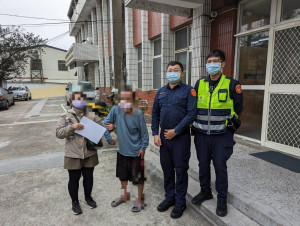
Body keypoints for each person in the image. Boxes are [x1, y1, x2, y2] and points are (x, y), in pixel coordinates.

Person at [191, 49, 243, 217]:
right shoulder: (199, 84)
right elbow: (193, 107)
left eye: (216, 61)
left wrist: (230, 125)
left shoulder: (231, 84)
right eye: (209, 62)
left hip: (222, 136)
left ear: (223, 64)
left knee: (220, 167)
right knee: (203, 165)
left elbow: (238, 108)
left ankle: (221, 199)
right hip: (201, 135)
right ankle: (205, 191)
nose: (212, 64)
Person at [151, 61, 197, 219]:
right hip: (164, 138)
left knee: (181, 170)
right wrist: (155, 134)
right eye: (169, 70)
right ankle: (169, 197)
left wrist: (176, 131)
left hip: (181, 139)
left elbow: (191, 114)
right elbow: (155, 113)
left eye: (176, 70)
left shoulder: (189, 91)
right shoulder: (161, 92)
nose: (172, 72)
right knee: (167, 170)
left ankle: (180, 202)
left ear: (182, 73)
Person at [103, 88, 149, 212]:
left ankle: (140, 200)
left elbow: (144, 134)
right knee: (122, 176)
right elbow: (106, 123)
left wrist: (143, 148)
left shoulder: (138, 114)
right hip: (122, 151)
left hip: (136, 152)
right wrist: (109, 138)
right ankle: (124, 196)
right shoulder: (115, 110)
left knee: (138, 178)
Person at [56, 91, 101, 215]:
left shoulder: (91, 114)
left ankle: (88, 197)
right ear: (71, 101)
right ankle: (75, 202)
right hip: (73, 153)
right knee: (74, 178)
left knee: (89, 176)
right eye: (77, 100)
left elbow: (100, 128)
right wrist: (72, 127)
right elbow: (59, 133)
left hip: (89, 153)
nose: (80, 102)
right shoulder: (65, 116)